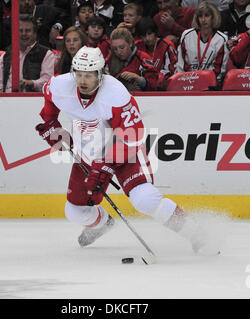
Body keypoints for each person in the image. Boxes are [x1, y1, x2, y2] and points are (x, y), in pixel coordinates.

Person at [35, 45, 218, 254]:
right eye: (79, 75)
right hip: (89, 151)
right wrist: (51, 127)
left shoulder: (116, 94)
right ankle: (103, 223)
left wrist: (105, 166)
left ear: (101, 74)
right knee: (74, 211)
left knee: (144, 199)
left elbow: (133, 136)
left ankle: (196, 233)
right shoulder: (59, 86)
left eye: (89, 76)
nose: (83, 81)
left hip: (125, 149)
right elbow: (49, 108)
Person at [0, 15, 56, 92]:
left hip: (33, 100)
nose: (23, 34)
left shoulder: (46, 54)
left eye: (27, 31)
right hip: (6, 100)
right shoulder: (6, 55)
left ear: (35, 33)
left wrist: (31, 83)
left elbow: (48, 82)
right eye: (20, 31)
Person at [175, 1, 229, 81]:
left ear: (213, 17)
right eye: (200, 16)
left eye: (207, 16)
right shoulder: (186, 35)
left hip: (210, 85)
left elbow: (219, 70)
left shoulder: (221, 39)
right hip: (187, 82)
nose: (203, 20)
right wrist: (190, 80)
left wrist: (204, 81)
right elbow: (181, 64)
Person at [106, 27, 163, 91]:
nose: (119, 52)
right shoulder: (110, 59)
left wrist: (138, 78)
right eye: (115, 49)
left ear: (130, 43)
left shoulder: (143, 58)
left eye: (122, 47)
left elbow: (154, 85)